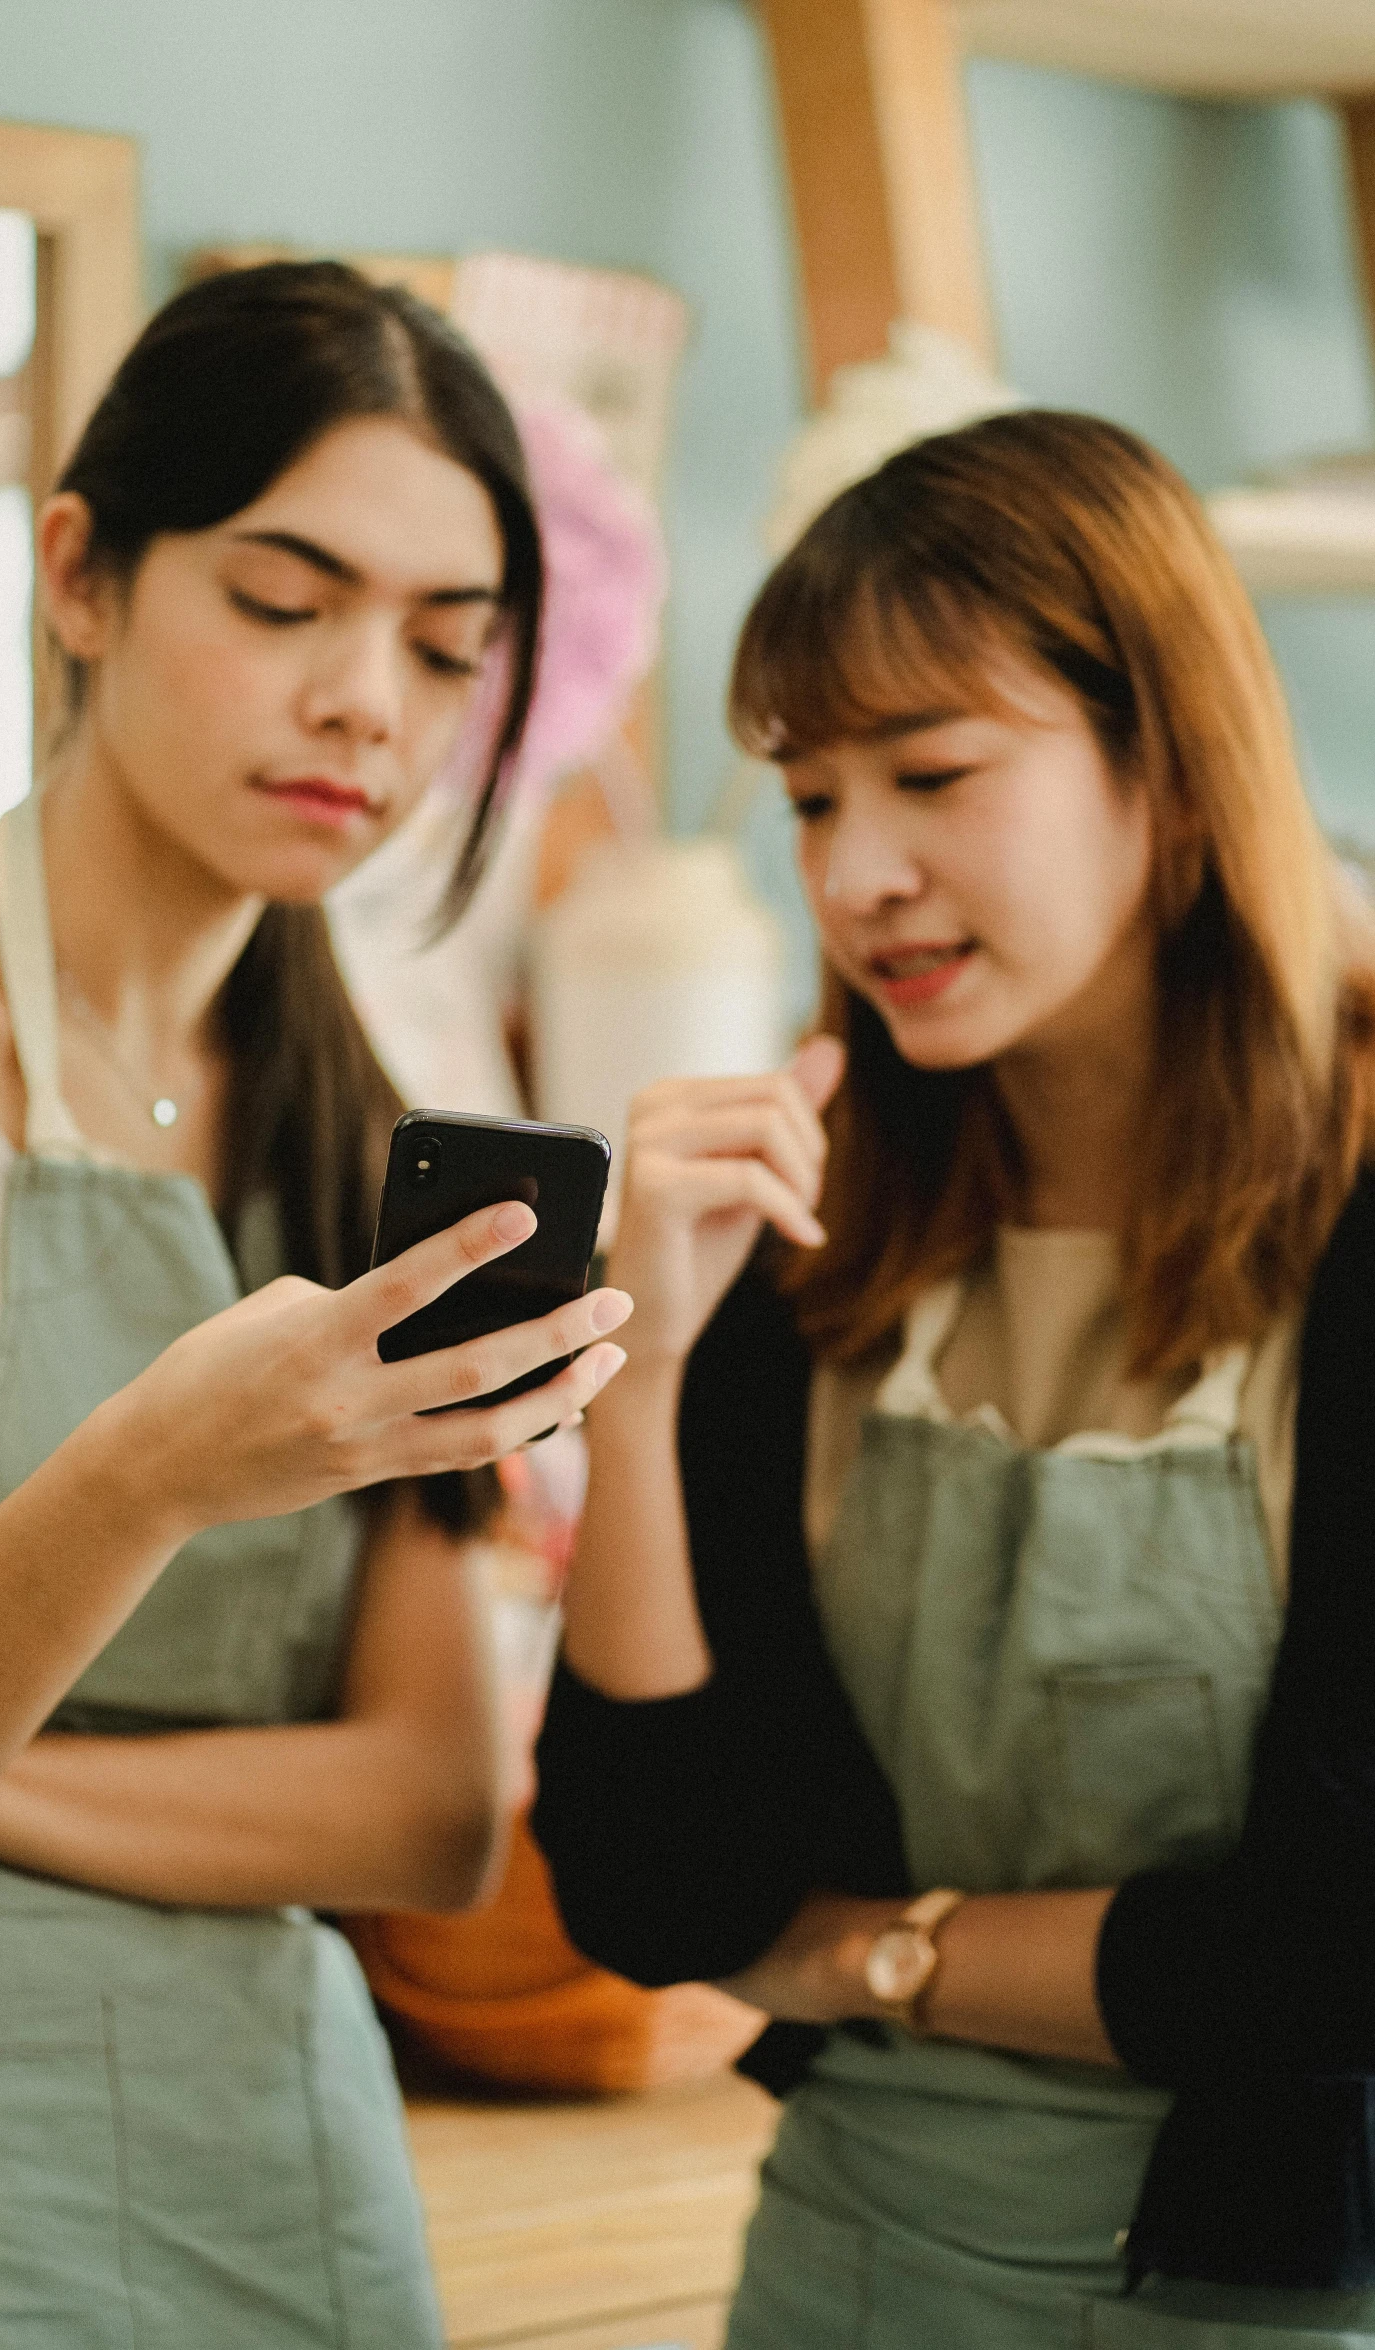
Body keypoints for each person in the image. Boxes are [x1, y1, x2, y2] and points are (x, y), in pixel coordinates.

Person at [0, 258, 631, 2347]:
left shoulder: (364, 1121)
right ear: (79, 573)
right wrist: (147, 1476)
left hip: (292, 2192)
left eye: (449, 649)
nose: (370, 697)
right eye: (286, 603)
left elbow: (435, 1811)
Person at [534, 409, 1375, 2344]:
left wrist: (879, 1950)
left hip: (1250, 2292)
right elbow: (656, 1890)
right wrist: (638, 1377)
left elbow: (1337, 1949)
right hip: (841, 2265)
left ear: (1162, 765)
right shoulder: (819, 1230)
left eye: (929, 773)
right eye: (813, 797)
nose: (856, 873)